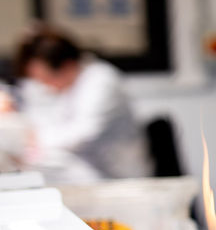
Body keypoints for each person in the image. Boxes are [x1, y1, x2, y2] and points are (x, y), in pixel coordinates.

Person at [10, 24, 151, 181]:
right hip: (87, 170)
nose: (45, 85)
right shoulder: (66, 87)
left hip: (116, 176)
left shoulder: (101, 80)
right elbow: (42, 122)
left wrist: (35, 140)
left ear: (67, 66)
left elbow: (82, 133)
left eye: (46, 79)